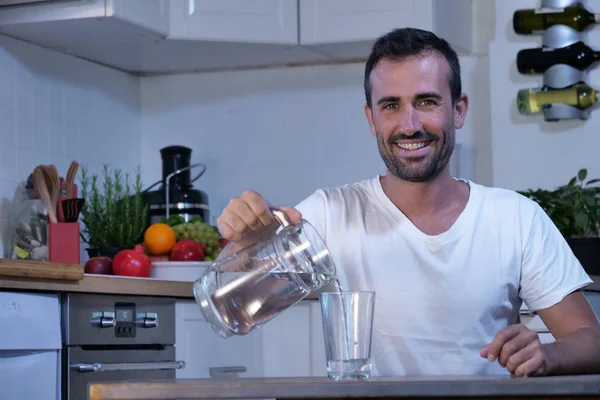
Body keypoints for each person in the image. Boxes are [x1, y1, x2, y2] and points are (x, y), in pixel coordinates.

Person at [215, 27, 600, 377]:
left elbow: (590, 340)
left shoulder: (514, 217)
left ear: (459, 109)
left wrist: (547, 355)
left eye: (427, 101)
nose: (410, 124)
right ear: (371, 118)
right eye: (391, 105)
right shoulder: (329, 214)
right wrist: (247, 243)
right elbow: (228, 309)